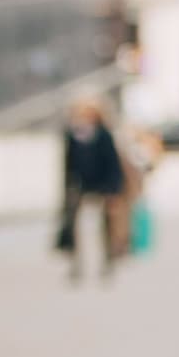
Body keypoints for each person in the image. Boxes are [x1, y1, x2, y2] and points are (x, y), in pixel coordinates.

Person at [57, 96, 126, 284]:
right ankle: (77, 264)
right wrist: (67, 188)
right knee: (75, 227)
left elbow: (113, 164)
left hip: (102, 185)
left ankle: (107, 262)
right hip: (80, 186)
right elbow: (68, 164)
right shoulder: (73, 135)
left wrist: (113, 189)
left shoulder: (103, 135)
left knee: (104, 227)